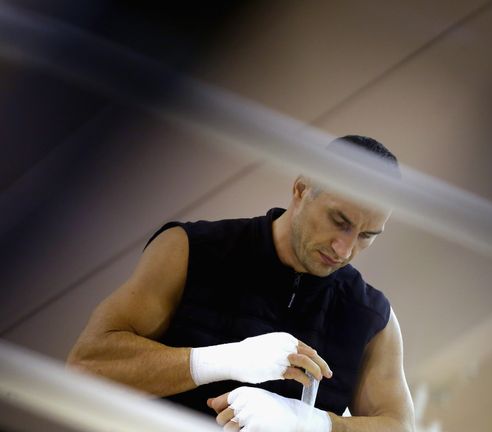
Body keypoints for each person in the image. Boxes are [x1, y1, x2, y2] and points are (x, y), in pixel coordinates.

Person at [67, 135, 415, 432]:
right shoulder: (191, 250)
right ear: (301, 188)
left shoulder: (372, 318)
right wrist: (220, 360)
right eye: (339, 221)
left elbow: (399, 427)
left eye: (367, 236)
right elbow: (86, 365)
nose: (345, 249)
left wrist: (310, 423)